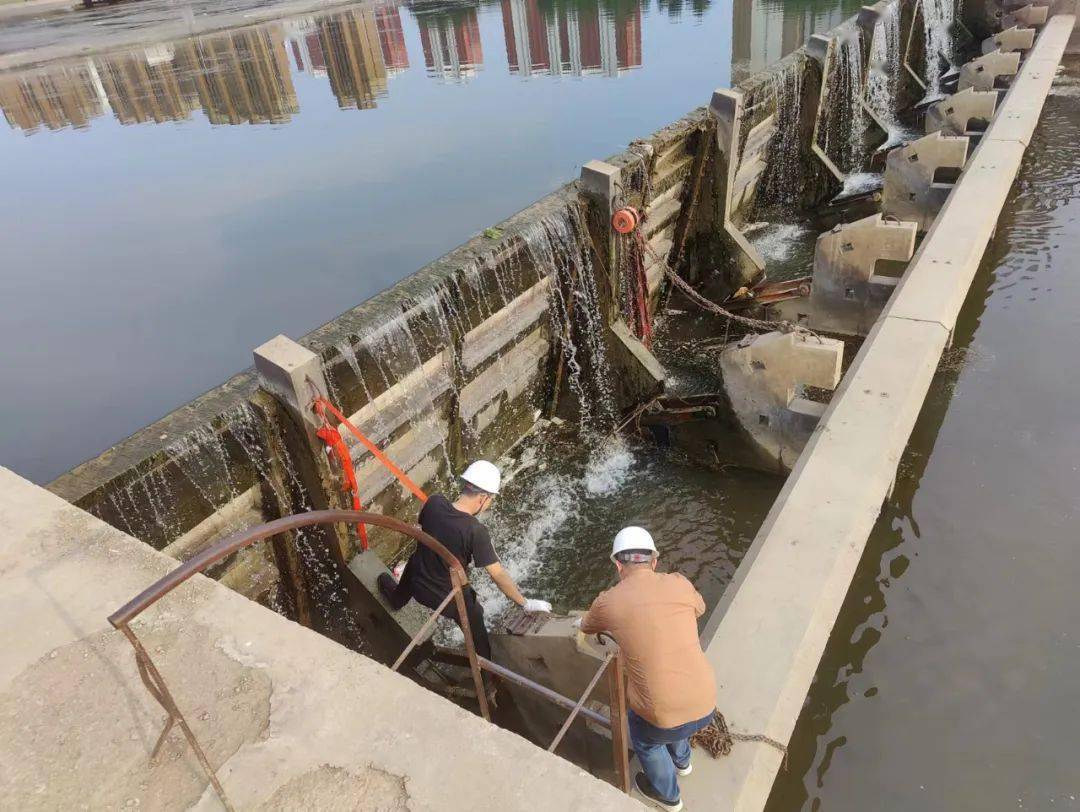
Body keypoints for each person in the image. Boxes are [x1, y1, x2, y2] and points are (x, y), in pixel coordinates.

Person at [578, 526, 716, 812]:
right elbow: (699, 608)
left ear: (617, 565)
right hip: (706, 701)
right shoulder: (679, 582)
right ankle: (683, 761)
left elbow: (586, 626)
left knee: (646, 738)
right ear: (654, 561)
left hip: (663, 714)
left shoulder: (609, 601)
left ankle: (669, 797)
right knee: (671, 708)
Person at [378, 460, 552, 660]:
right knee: (475, 614)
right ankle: (486, 671)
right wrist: (524, 603)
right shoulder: (475, 531)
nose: (490, 504)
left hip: (415, 580)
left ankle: (395, 598)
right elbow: (497, 574)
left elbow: (426, 528)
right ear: (483, 498)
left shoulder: (434, 502)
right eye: (491, 499)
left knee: (418, 559)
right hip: (441, 596)